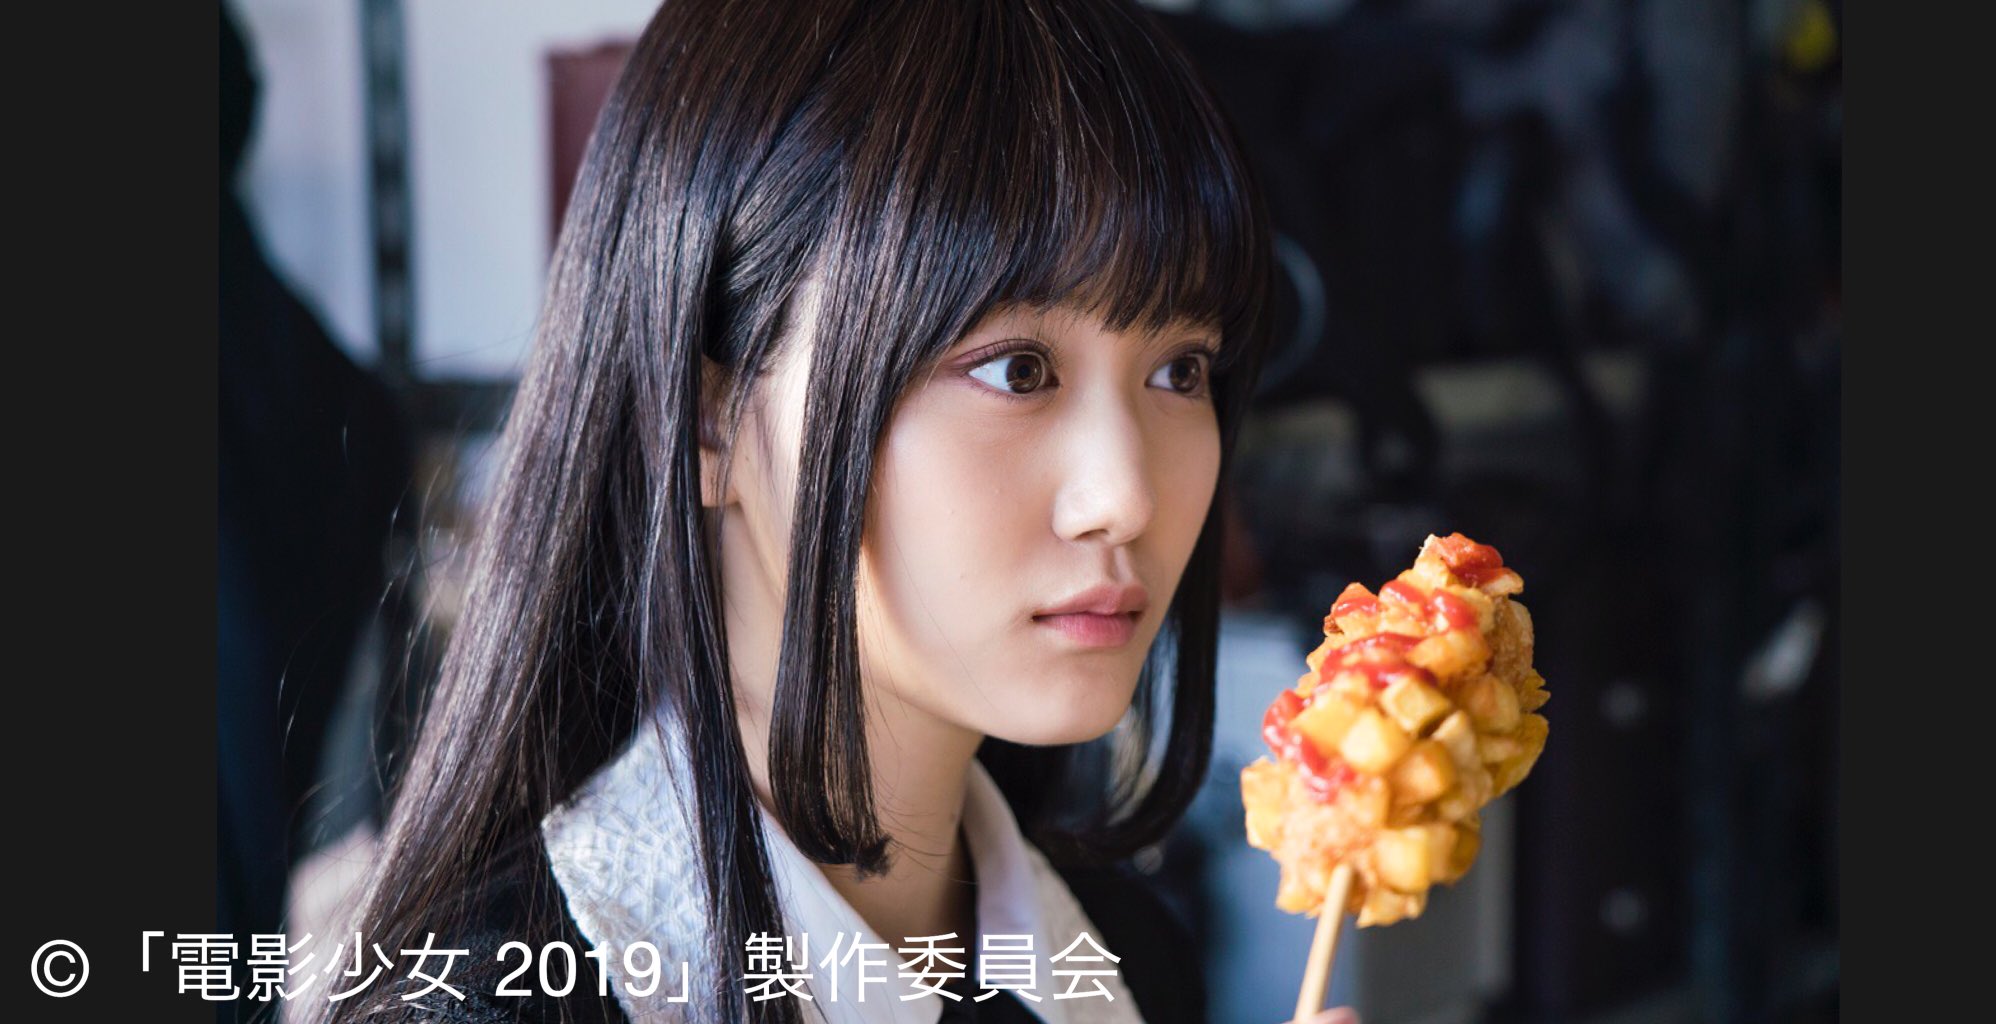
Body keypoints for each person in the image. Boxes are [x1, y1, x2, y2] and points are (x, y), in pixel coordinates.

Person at [322, 1, 1356, 1021]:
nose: (1125, 496)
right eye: (1017, 369)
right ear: (709, 419)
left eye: (1181, 370)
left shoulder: (1123, 956)